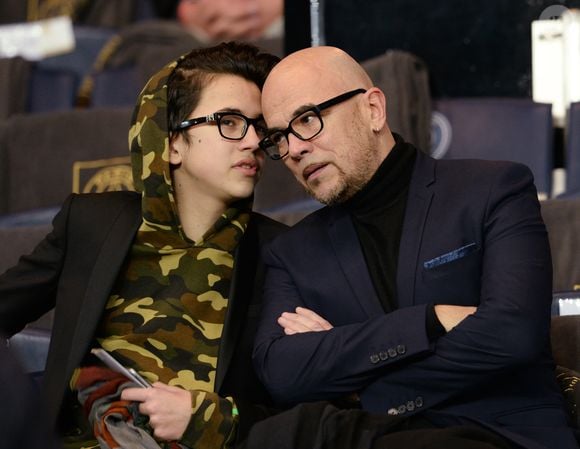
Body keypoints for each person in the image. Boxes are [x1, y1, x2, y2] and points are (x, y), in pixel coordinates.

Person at [251, 46, 578, 449]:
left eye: (307, 120)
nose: (294, 149)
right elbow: (283, 372)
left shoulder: (492, 189)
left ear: (372, 109)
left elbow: (513, 334)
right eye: (279, 137)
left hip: (502, 436)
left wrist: (362, 390)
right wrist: (428, 320)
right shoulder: (293, 251)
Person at [0, 41, 285, 448]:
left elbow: (311, 416)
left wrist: (212, 418)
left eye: (259, 127)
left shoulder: (280, 252)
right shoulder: (92, 223)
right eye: (229, 121)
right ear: (171, 143)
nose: (253, 141)